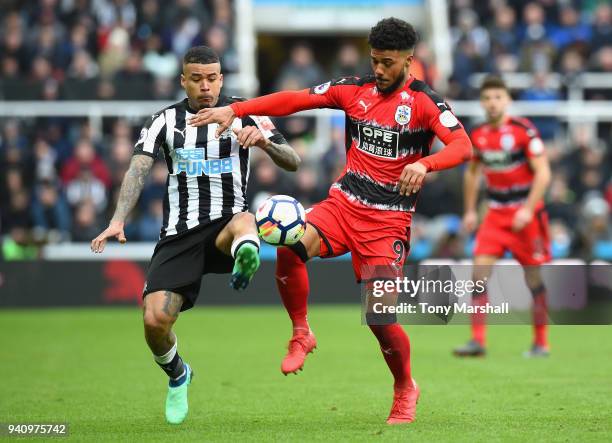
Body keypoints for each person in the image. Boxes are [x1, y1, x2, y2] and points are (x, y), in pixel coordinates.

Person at [189, 18, 472, 424]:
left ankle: (405, 386)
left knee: (380, 317)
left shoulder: (426, 102)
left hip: (388, 221)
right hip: (343, 205)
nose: (379, 69)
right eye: (375, 60)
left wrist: (426, 164)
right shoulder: (354, 90)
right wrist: (235, 109)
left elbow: (463, 146)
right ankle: (302, 331)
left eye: (388, 63)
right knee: (288, 244)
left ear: (409, 61)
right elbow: (294, 100)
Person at [90, 46, 299, 425]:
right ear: (183, 80)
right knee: (154, 323)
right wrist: (118, 219)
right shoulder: (163, 121)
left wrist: (264, 141)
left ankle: (246, 254)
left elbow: (294, 161)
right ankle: (178, 373)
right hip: (180, 235)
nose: (206, 86)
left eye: (213, 77)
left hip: (227, 224)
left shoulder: (246, 113)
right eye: (197, 78)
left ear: (221, 78)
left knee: (245, 219)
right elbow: (138, 168)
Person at [454, 75, 552, 358]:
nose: (492, 103)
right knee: (478, 275)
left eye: (497, 97)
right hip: (495, 214)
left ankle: (541, 342)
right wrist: (471, 210)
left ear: (507, 100)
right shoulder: (478, 135)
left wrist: (527, 208)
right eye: (487, 98)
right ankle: (477, 340)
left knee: (533, 278)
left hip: (525, 214)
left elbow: (543, 174)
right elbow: (471, 174)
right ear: (482, 103)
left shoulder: (523, 131)